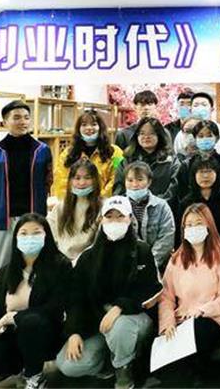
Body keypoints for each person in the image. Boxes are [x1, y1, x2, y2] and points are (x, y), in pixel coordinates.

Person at [55, 197, 162, 389]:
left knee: (120, 327)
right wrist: (74, 331)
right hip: (99, 324)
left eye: (120, 217)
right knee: (68, 365)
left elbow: (151, 289)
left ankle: (124, 369)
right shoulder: (88, 257)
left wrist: (120, 307)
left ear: (130, 219)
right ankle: (108, 362)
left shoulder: (142, 250)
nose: (114, 222)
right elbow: (76, 297)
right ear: (101, 220)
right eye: (109, 217)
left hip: (133, 320)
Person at [0, 214, 71, 389]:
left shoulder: (60, 266)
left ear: (46, 236)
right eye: (24, 233)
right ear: (16, 238)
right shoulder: (7, 271)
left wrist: (15, 317)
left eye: (36, 233)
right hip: (11, 334)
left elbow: (56, 307)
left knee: (31, 322)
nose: (30, 238)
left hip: (45, 333)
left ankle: (34, 375)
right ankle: (16, 363)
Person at [0, 100, 53, 300]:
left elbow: (47, 182)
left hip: (33, 219)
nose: (23, 122)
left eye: (26, 117)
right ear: (5, 122)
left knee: (34, 268)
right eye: (17, 117)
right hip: (1, 221)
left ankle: (30, 309)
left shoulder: (42, 150)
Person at [159, 203, 220, 380]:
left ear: (208, 225)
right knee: (166, 369)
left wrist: (203, 310)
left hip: (211, 319)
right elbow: (166, 296)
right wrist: (168, 323)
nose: (193, 228)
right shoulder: (177, 259)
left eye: (198, 223)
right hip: (181, 320)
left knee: (195, 337)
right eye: (189, 225)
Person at [53, 109, 124, 198]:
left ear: (100, 127)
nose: (89, 128)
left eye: (94, 124)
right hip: (74, 202)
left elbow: (117, 178)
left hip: (104, 201)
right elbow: (60, 180)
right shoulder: (67, 153)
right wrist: (71, 200)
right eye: (84, 125)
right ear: (78, 129)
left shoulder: (115, 152)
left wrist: (99, 198)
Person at [122, 161, 175, 271]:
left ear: (149, 182)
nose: (135, 185)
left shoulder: (161, 206)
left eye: (140, 180)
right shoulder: (118, 206)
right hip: (125, 265)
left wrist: (149, 262)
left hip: (155, 266)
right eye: (130, 180)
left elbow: (166, 237)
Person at [114, 117, 181, 203]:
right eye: (142, 133)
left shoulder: (171, 161)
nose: (146, 137)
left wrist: (157, 205)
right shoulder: (127, 160)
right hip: (129, 208)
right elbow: (119, 188)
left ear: (159, 135)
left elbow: (174, 190)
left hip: (163, 207)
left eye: (151, 133)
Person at [47, 159, 102, 264]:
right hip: (62, 262)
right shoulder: (60, 207)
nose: (82, 182)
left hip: (89, 262)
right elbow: (50, 235)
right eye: (77, 178)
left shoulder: (103, 207)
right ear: (70, 181)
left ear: (95, 180)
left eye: (87, 178)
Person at [176, 119, 220, 200]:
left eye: (209, 136)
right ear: (195, 139)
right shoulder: (187, 164)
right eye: (201, 136)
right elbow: (181, 191)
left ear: (217, 138)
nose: (205, 139)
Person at [179, 154, 220, 249]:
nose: (205, 176)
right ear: (194, 175)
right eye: (201, 172)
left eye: (209, 171)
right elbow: (180, 232)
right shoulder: (186, 202)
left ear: (216, 174)